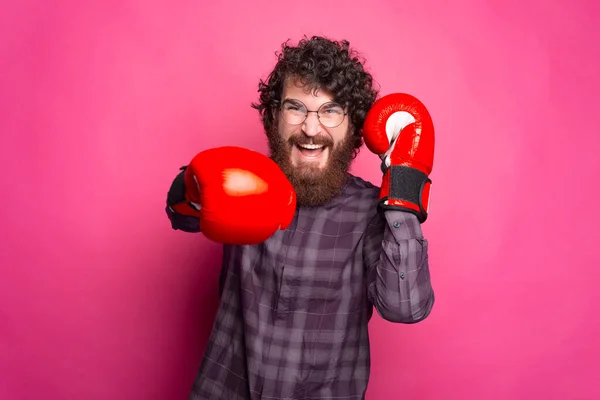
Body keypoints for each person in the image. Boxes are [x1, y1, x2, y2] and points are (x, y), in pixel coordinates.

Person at [165, 35, 436, 400]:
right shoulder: (243, 180)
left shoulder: (372, 213)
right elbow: (180, 216)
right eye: (296, 108)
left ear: (353, 126)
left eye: (330, 111)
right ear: (275, 116)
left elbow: (406, 307)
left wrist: (403, 188)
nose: (310, 129)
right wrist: (193, 185)